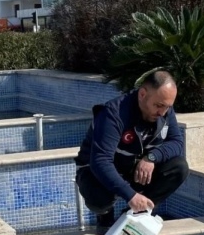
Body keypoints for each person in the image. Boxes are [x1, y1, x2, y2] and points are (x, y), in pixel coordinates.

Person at [74, 70, 189, 233]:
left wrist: (151, 157)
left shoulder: (164, 110)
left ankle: (135, 214)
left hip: (132, 168)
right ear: (142, 94)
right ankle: (105, 217)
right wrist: (131, 195)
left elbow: (177, 143)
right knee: (99, 198)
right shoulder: (113, 114)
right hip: (95, 173)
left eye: (167, 107)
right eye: (158, 106)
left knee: (179, 167)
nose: (163, 112)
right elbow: (100, 161)